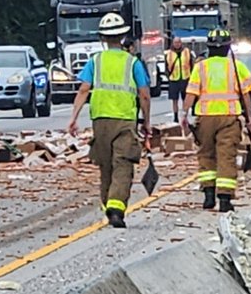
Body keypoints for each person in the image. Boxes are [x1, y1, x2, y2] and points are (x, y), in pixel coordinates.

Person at [67, 13, 152, 229]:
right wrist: (146, 122)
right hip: (125, 120)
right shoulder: (133, 62)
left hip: (100, 120)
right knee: (123, 164)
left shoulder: (95, 61)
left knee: (105, 165)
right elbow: (144, 94)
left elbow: (83, 89)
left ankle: (108, 205)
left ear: (102, 38)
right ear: (123, 36)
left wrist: (74, 118)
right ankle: (116, 208)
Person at [181, 29, 251, 213]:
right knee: (226, 156)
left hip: (205, 118)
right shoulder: (236, 67)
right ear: (228, 47)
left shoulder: (200, 67)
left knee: (206, 154)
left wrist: (184, 115)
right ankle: (224, 199)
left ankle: (208, 195)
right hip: (229, 118)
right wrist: (249, 118)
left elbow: (191, 93)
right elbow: (246, 95)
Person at [165, 37, 194, 123]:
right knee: (175, 100)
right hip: (174, 79)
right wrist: (168, 76)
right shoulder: (169, 53)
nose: (177, 44)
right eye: (175, 42)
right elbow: (166, 66)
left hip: (185, 78)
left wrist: (191, 76)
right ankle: (175, 117)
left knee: (185, 100)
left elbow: (191, 64)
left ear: (181, 43)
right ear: (173, 43)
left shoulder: (187, 52)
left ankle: (185, 116)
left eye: (178, 42)